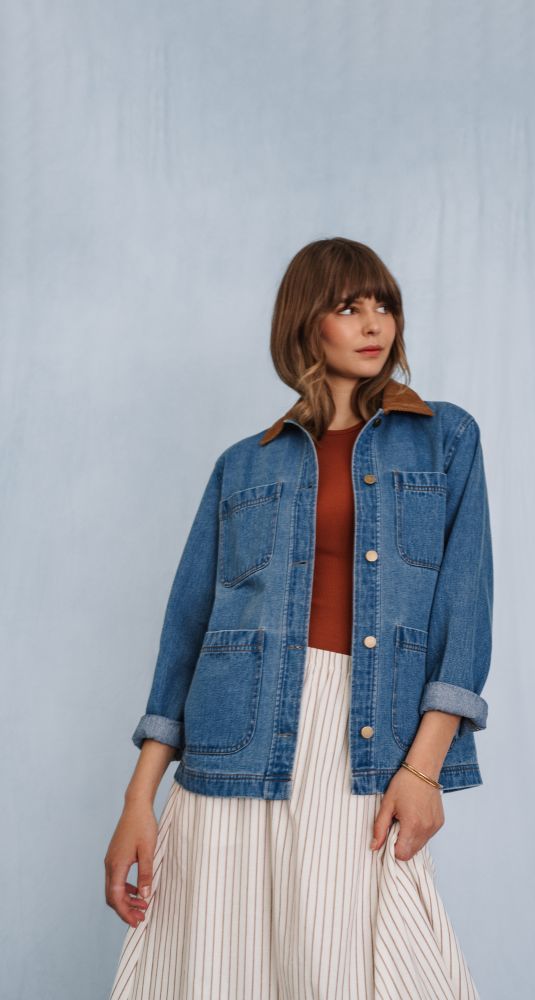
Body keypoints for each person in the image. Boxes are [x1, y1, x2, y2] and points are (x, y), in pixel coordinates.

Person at [105, 236, 493, 999]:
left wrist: (422, 769)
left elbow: (464, 608)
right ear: (304, 323)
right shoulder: (243, 464)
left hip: (364, 736)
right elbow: (188, 633)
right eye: (348, 307)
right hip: (230, 745)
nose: (373, 323)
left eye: (383, 305)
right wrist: (136, 803)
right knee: (220, 968)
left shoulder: (443, 437)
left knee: (356, 966)